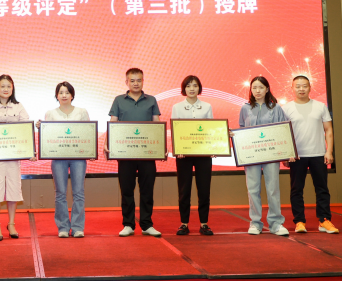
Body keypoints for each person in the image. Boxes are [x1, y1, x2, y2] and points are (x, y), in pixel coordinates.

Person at [106, 68, 164, 238]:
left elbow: (156, 124)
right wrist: (107, 143)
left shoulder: (151, 100)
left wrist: (161, 145)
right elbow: (113, 123)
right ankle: (128, 224)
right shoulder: (119, 100)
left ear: (143, 81)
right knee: (126, 189)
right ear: (127, 82)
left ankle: (147, 224)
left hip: (147, 153)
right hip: (125, 153)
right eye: (132, 80)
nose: (136, 83)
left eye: (139, 80)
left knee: (147, 190)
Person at [0, 75, 36, 241]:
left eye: (8, 86)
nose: (5, 89)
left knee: (13, 189)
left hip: (13, 157)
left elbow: (26, 130)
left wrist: (30, 151)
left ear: (12, 88)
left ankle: (11, 223)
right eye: (2, 86)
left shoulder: (19, 107)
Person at [282, 75, 339, 234]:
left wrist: (329, 151)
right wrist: (287, 154)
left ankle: (324, 220)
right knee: (296, 190)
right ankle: (299, 221)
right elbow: (283, 133)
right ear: (292, 88)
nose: (301, 89)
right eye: (298, 86)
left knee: (322, 189)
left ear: (310, 87)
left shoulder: (320, 106)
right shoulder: (286, 109)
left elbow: (328, 130)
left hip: (318, 154)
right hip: (297, 156)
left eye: (304, 86)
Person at [38, 81, 92, 238]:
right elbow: (48, 136)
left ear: (72, 95)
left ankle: (77, 227)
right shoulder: (50, 113)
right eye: (61, 92)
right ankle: (63, 227)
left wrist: (90, 150)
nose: (64, 95)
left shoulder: (82, 112)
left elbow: (88, 133)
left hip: (78, 158)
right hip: (58, 158)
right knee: (60, 193)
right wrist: (41, 128)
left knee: (79, 193)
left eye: (67, 92)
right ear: (56, 95)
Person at [239, 76, 289, 236]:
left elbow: (283, 130)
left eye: (261, 87)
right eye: (254, 87)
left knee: (273, 188)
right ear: (251, 90)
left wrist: (286, 153)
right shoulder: (245, 108)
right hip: (251, 156)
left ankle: (276, 223)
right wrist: (236, 136)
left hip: (271, 154)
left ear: (267, 89)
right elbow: (242, 129)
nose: (257, 91)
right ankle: (255, 223)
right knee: (253, 189)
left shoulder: (276, 108)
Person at [171, 75, 214, 236]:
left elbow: (211, 129)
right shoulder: (177, 107)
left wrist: (212, 147)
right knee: (184, 190)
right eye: (188, 86)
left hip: (203, 154)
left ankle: (204, 223)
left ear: (199, 88)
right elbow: (175, 129)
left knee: (204, 189)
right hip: (184, 155)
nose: (191, 89)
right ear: (184, 88)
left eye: (195, 85)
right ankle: (184, 223)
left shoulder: (207, 106)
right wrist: (178, 149)